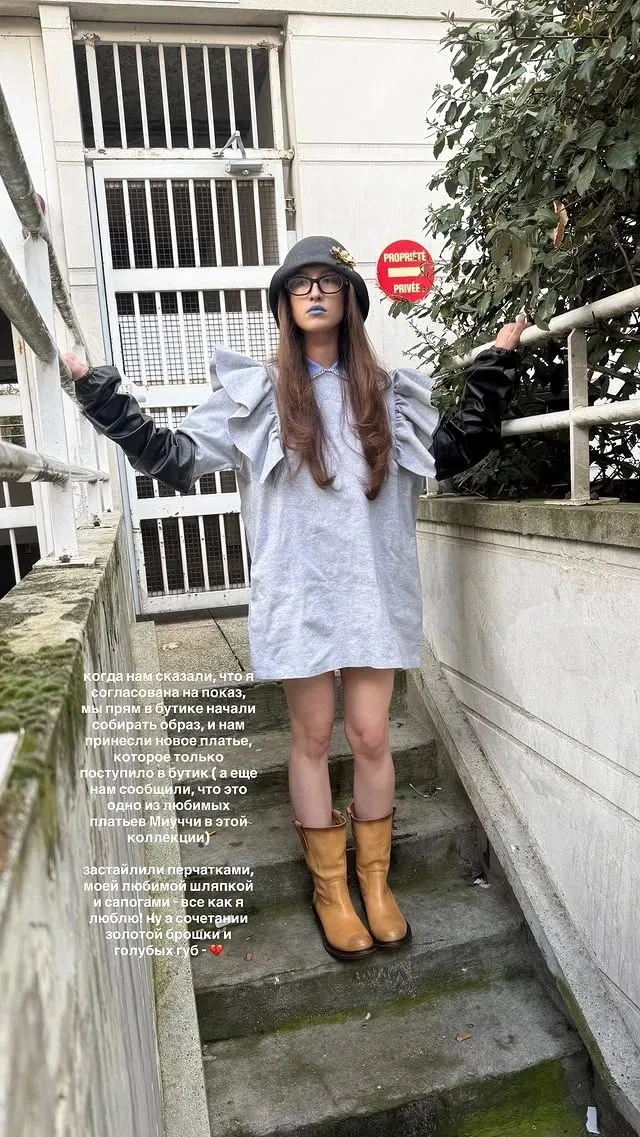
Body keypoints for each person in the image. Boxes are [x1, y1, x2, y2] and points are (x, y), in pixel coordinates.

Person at [64, 235, 527, 964]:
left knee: (371, 735)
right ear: (283, 301)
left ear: (350, 298)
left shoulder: (386, 393)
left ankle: (375, 882)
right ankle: (331, 891)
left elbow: (454, 450)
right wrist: (101, 394)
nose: (314, 291)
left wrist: (495, 365)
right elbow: (172, 458)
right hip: (297, 592)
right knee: (312, 735)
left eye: (329, 281)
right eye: (300, 282)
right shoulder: (257, 394)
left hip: (373, 590)